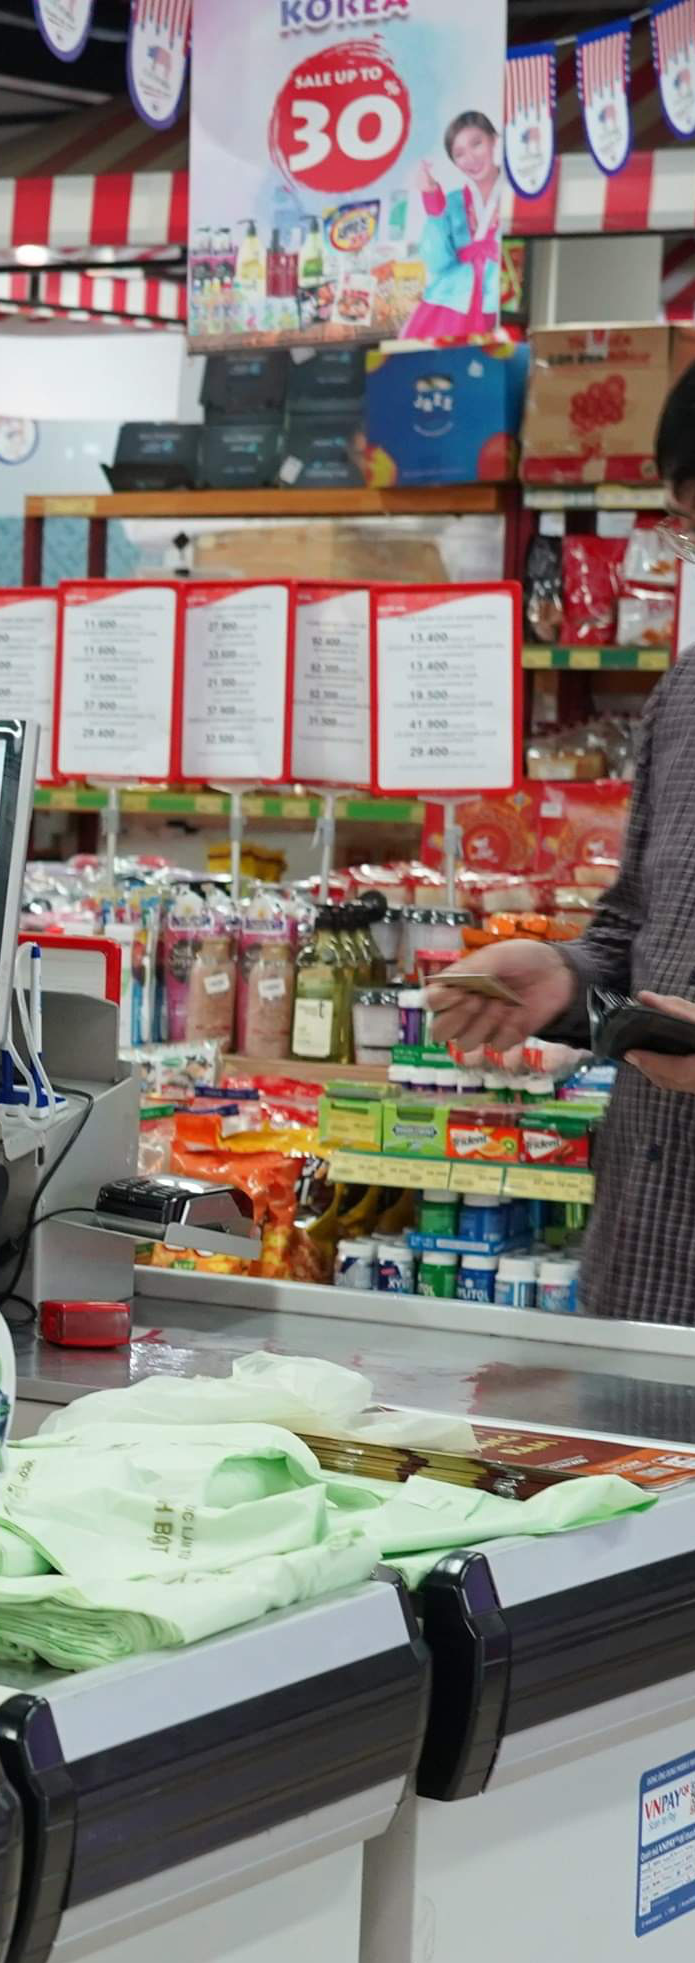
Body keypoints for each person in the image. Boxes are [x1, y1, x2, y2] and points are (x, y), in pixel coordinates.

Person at [429, 365, 695, 1321]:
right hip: (644, 1259)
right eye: (689, 527)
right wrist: (560, 974)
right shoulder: (683, 699)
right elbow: (632, 925)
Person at [403, 111, 511, 343]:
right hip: (451, 307)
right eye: (459, 154)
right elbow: (436, 261)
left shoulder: (517, 195)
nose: (470, 159)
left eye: (476, 143)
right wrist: (432, 200)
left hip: (502, 304)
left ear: (494, 139)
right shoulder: (451, 202)